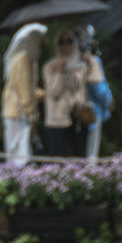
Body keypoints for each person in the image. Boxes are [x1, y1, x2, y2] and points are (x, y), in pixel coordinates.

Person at [42, 29, 91, 159]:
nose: (66, 45)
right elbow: (54, 93)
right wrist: (59, 71)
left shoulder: (82, 67)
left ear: (75, 44)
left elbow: (82, 91)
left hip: (77, 117)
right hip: (58, 120)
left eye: (69, 41)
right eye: (61, 42)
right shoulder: (49, 67)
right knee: (57, 159)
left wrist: (77, 102)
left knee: (79, 157)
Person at [1, 23, 46, 166]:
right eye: (40, 39)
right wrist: (32, 116)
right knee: (20, 159)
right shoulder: (23, 59)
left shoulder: (26, 59)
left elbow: (29, 90)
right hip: (19, 114)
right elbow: (25, 91)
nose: (43, 43)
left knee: (18, 156)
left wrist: (45, 93)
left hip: (17, 113)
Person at [80, 26, 113, 164]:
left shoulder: (74, 62)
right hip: (94, 111)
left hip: (77, 110)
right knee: (91, 153)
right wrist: (109, 100)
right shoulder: (93, 62)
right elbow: (99, 88)